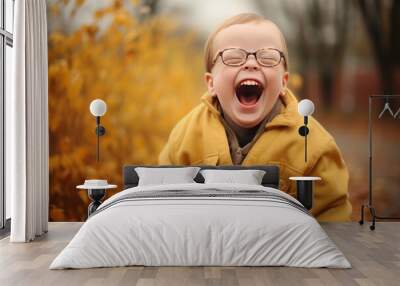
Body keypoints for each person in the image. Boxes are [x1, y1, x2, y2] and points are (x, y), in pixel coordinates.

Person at [158, 13, 352, 221]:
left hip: (282, 250)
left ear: (284, 83)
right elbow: (162, 207)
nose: (251, 64)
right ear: (211, 83)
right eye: (232, 57)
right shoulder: (185, 136)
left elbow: (333, 219)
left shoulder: (314, 145)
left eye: (267, 57)